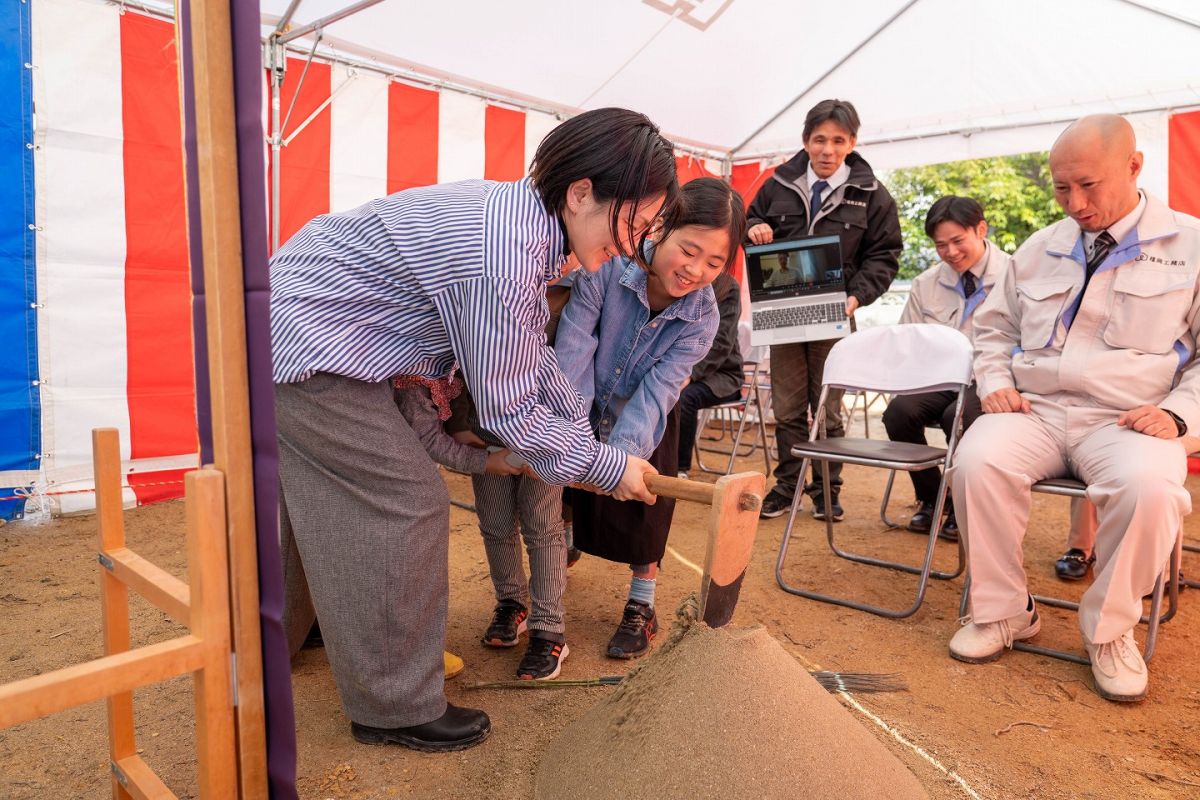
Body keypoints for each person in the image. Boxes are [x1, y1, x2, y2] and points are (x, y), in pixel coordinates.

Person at [270, 107, 678, 752]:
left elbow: (529, 358)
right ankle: (392, 705)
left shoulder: (522, 225)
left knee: (320, 500)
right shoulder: (504, 253)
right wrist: (607, 468)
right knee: (404, 506)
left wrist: (587, 439)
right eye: (635, 220)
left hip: (309, 333)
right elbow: (506, 413)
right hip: (313, 342)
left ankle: (299, 629)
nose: (636, 243)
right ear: (581, 194)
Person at [948, 114, 1200, 703]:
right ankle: (1004, 611)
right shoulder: (1041, 246)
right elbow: (993, 330)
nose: (1075, 202)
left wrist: (1181, 414)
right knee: (976, 460)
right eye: (1062, 187)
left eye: (1089, 184)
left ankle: (1111, 631)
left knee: (1153, 490)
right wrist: (992, 381)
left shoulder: (1191, 246)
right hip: (1036, 411)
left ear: (1134, 167)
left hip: (1129, 418)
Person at [557, 177, 746, 658]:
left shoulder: (702, 316)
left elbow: (660, 390)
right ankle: (552, 576)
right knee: (559, 491)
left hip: (643, 415)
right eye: (689, 250)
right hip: (577, 402)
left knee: (647, 506)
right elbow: (574, 350)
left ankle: (642, 603)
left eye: (714, 262)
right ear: (662, 227)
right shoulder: (607, 266)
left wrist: (619, 460)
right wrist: (579, 444)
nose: (696, 270)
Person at [746, 99, 902, 520]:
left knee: (828, 406)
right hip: (782, 314)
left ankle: (827, 490)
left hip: (836, 311)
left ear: (852, 142)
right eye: (819, 140)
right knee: (789, 406)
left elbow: (885, 256)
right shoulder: (777, 184)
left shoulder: (871, 194)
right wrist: (753, 228)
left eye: (838, 140)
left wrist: (855, 298)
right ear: (805, 141)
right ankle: (788, 486)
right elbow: (749, 223)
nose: (827, 150)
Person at [451, 272, 577, 681]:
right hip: (485, 427)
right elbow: (458, 351)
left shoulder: (581, 295)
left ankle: (548, 627)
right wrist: (458, 420)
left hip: (547, 426)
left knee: (543, 525)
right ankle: (511, 603)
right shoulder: (495, 278)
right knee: (494, 522)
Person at [676, 269, 744, 479]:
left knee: (684, 397)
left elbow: (722, 342)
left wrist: (691, 374)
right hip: (682, 365)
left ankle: (679, 467)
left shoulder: (726, 286)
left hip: (723, 375)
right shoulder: (679, 277)